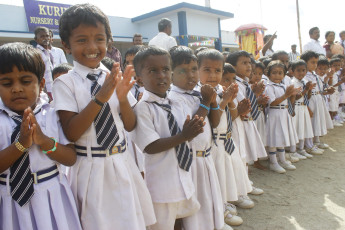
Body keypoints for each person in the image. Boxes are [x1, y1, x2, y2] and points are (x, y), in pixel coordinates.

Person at [53, 4, 156, 230]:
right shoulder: (64, 83)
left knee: (129, 220)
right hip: (90, 167)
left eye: (99, 39)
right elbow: (71, 131)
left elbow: (129, 125)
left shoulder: (113, 76)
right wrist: (101, 97)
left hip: (120, 162)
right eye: (81, 40)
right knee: (97, 222)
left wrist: (122, 98)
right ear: (65, 45)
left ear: (108, 42)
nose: (92, 47)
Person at [0, 42, 82, 230]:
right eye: (6, 83)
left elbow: (70, 158)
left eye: (26, 81)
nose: (17, 89)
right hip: (8, 198)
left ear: (42, 83)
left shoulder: (53, 114)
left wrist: (44, 141)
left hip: (50, 195)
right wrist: (20, 145)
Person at [131, 46, 204, 230]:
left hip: (182, 175)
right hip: (160, 184)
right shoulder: (143, 108)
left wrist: (192, 130)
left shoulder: (176, 102)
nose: (161, 75)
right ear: (139, 79)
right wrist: (183, 136)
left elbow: (188, 130)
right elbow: (150, 146)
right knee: (161, 224)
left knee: (180, 219)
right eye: (153, 71)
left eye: (165, 70)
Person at [168, 46, 230, 230]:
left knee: (209, 198)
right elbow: (194, 127)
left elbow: (215, 122)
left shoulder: (199, 93)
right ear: (171, 73)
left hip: (206, 156)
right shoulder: (172, 98)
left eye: (194, 69)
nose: (191, 75)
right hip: (190, 161)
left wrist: (212, 101)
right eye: (183, 71)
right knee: (194, 205)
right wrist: (205, 102)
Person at [226, 51, 268, 170]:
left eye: (249, 62)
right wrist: (255, 94)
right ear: (233, 66)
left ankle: (247, 183)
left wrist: (256, 96)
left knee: (245, 154)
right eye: (244, 63)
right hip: (240, 122)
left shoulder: (245, 83)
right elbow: (242, 104)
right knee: (240, 154)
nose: (249, 66)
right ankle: (244, 184)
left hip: (248, 122)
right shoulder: (234, 84)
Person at [264, 61, 299, 173]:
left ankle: (282, 160)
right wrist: (286, 95)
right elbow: (272, 103)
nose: (277, 75)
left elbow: (288, 101)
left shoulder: (284, 86)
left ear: (284, 74)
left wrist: (293, 95)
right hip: (274, 114)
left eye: (280, 73)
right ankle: (273, 162)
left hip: (283, 114)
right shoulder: (269, 87)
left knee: (282, 137)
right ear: (268, 74)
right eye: (274, 73)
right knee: (274, 138)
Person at [301, 51, 333, 154]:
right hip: (310, 101)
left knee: (318, 120)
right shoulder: (304, 76)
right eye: (312, 62)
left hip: (318, 98)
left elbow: (319, 88)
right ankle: (308, 144)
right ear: (305, 62)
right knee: (310, 122)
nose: (315, 65)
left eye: (316, 62)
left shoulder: (315, 74)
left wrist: (326, 91)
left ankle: (316, 140)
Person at [290, 60, 315, 159]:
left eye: (303, 70)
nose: (301, 73)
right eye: (298, 70)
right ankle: (293, 150)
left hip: (304, 107)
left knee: (303, 127)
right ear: (293, 71)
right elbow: (295, 97)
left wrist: (309, 89)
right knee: (296, 128)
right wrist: (305, 90)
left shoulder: (305, 81)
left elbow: (308, 97)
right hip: (297, 106)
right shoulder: (293, 82)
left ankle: (301, 148)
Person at [34, 26, 54, 100]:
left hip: (54, 88)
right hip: (45, 90)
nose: (45, 38)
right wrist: (43, 89)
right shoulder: (36, 53)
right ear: (36, 39)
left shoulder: (49, 52)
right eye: (42, 36)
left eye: (47, 36)